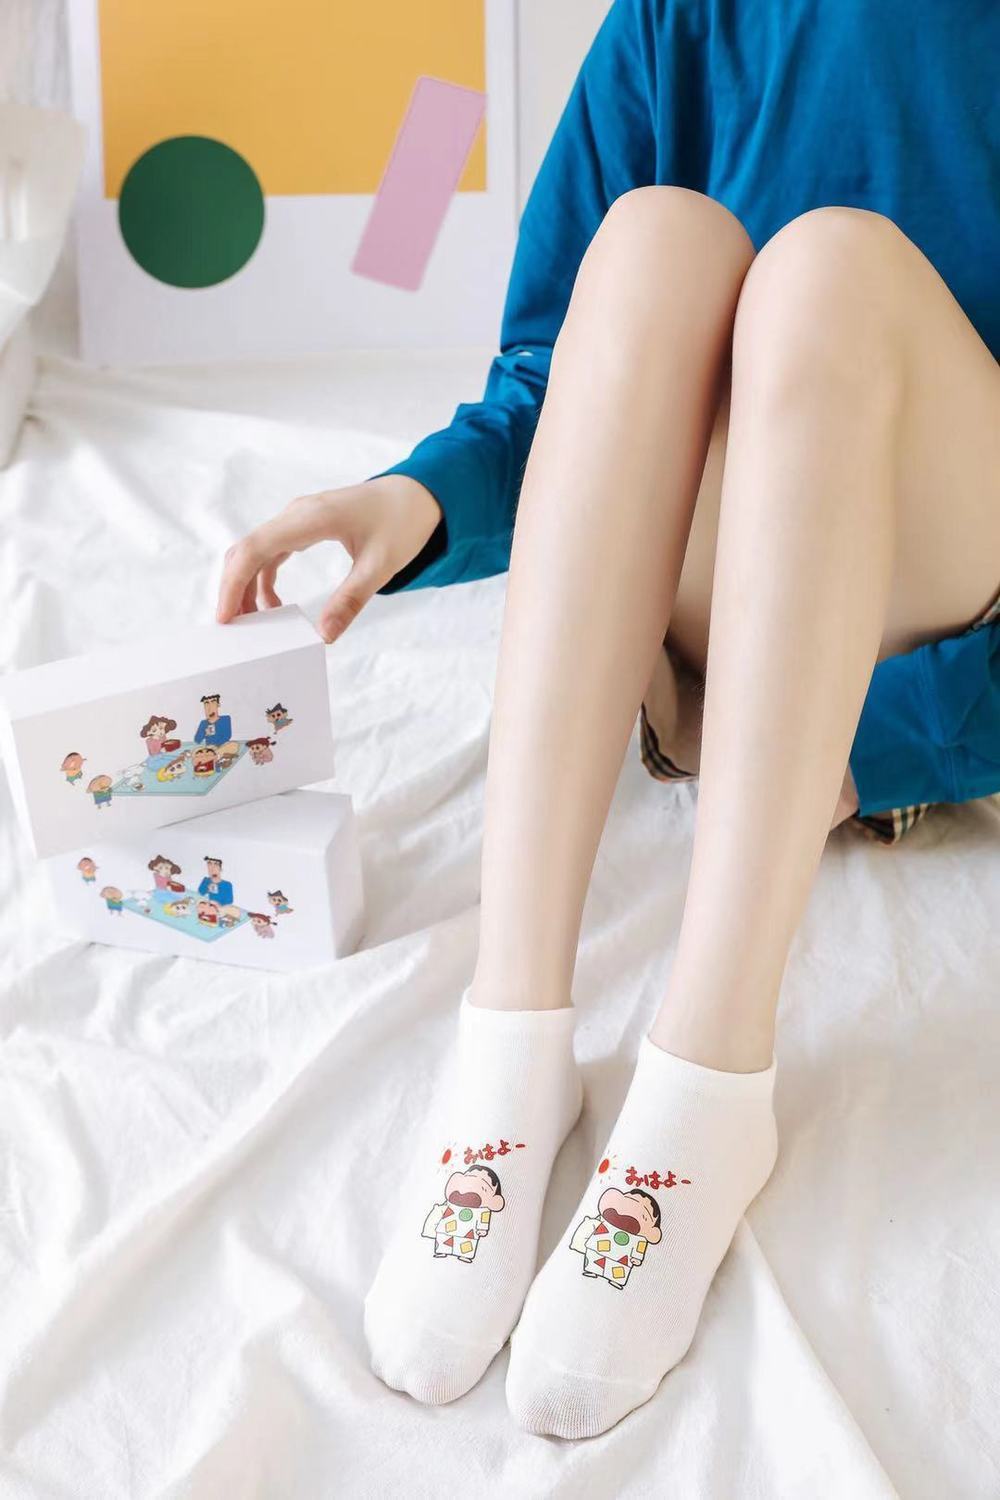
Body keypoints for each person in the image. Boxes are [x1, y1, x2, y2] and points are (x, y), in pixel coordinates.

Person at [216, 0, 999, 1437]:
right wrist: (418, 497)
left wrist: (892, 738)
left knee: (832, 272)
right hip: (713, 610)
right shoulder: (678, 17)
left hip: (940, 583)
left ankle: (711, 1077)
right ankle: (511, 1043)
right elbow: (554, 381)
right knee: (648, 240)